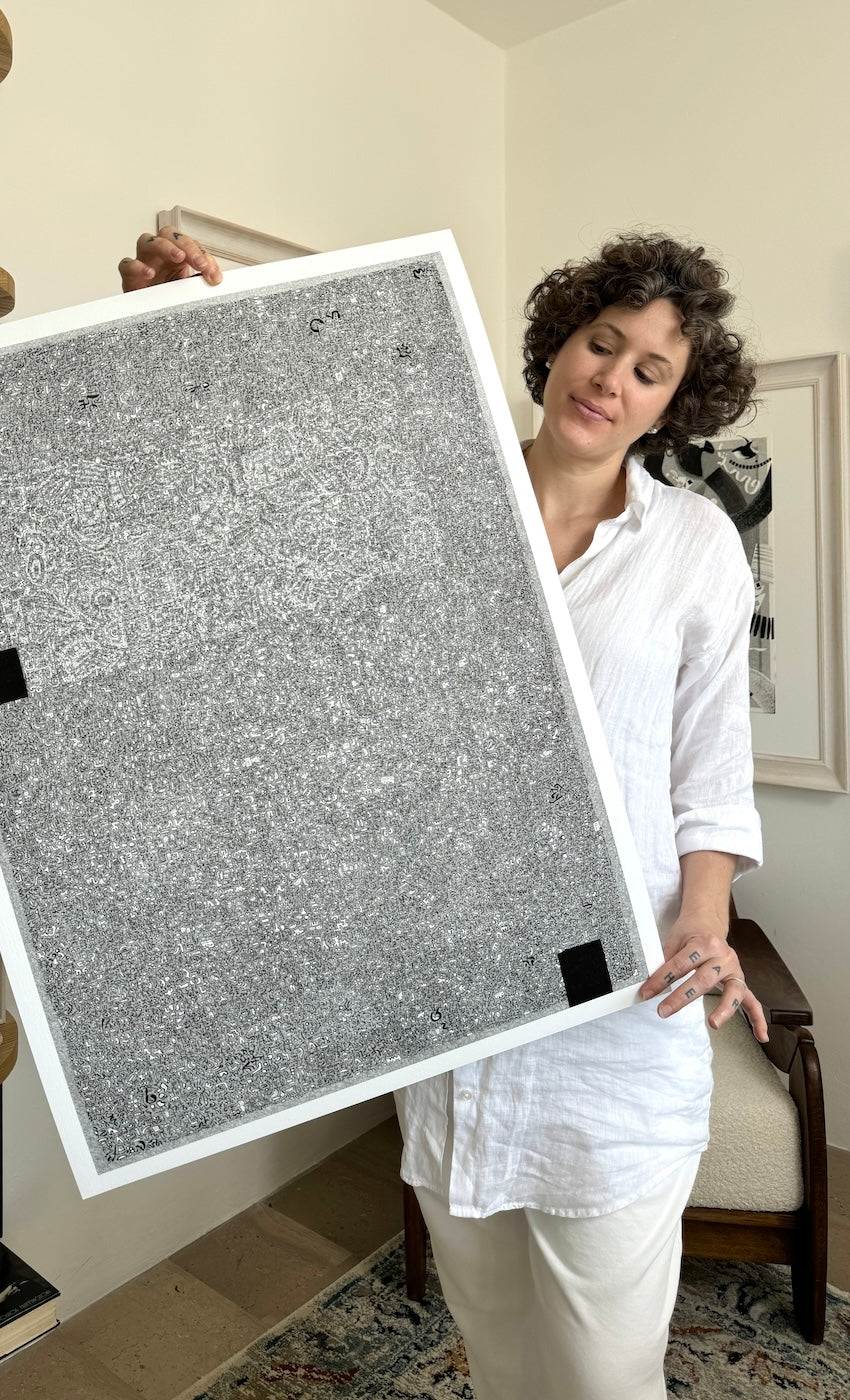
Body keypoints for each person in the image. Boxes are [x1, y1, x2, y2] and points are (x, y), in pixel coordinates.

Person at [120, 228, 763, 1400]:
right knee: (502, 1354)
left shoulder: (694, 545)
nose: (611, 377)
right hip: (448, 1001)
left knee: (607, 1374)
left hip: (620, 1019)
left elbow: (710, 770)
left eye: (649, 369)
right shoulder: (420, 502)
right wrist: (174, 328)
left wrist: (705, 918)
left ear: (673, 404)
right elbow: (256, 498)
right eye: (601, 341)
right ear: (559, 342)